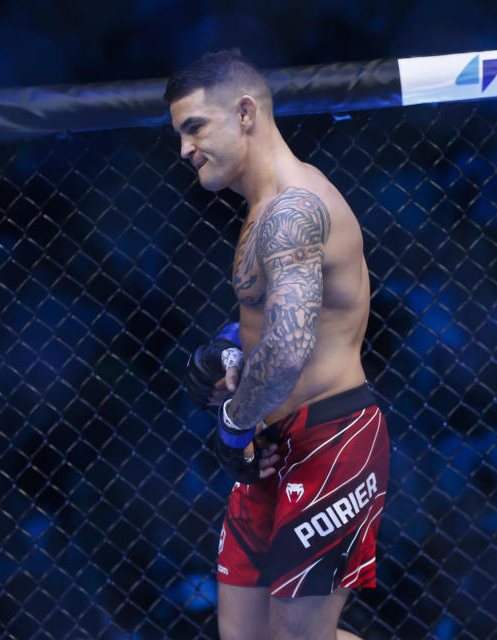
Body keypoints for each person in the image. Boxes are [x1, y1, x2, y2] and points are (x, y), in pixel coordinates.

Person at [168, 50, 390, 640]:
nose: (185, 150)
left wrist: (232, 425)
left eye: (195, 127)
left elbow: (289, 347)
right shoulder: (264, 208)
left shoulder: (293, 209)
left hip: (329, 439)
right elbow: (274, 321)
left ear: (244, 113)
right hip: (275, 443)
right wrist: (224, 349)